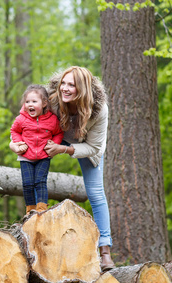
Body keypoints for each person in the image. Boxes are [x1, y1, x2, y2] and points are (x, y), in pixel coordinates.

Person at [10, 66, 115, 272]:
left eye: (71, 85)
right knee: (32, 181)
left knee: (95, 194)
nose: (65, 89)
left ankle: (105, 252)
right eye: (63, 83)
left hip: (85, 146)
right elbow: (23, 122)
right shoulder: (50, 98)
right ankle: (32, 232)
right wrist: (14, 144)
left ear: (82, 89)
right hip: (49, 138)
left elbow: (94, 147)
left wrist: (64, 149)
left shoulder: (99, 109)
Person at [10, 84, 64, 215]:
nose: (30, 105)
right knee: (27, 184)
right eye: (27, 102)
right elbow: (14, 131)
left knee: (40, 181)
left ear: (44, 103)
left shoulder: (52, 120)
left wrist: (54, 144)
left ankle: (41, 209)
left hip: (44, 156)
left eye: (34, 101)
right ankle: (30, 209)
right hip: (25, 156)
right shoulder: (21, 119)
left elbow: (59, 133)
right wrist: (18, 143)